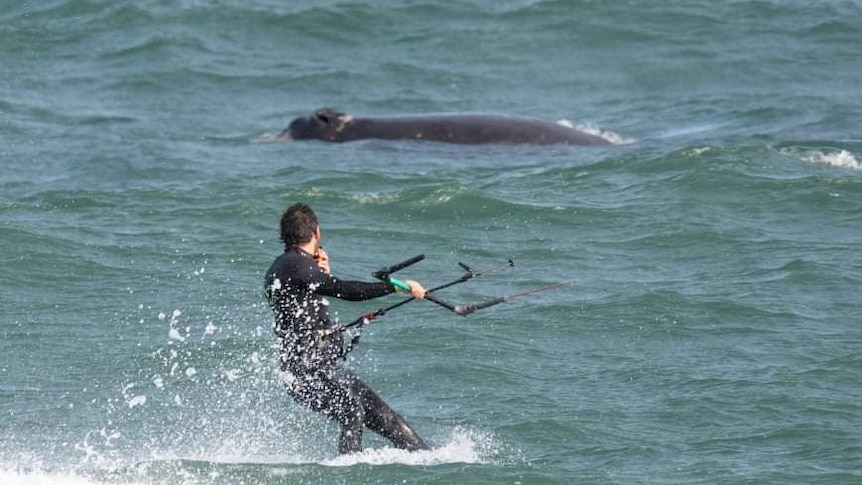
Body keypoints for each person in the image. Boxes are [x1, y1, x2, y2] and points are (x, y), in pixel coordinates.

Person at [264, 202, 431, 454]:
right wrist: (397, 286)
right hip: (304, 373)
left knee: (392, 422)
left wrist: (321, 274)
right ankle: (348, 471)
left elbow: (304, 303)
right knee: (351, 410)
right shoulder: (295, 265)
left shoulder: (283, 267)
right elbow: (347, 291)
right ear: (316, 232)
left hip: (325, 367)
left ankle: (428, 458)